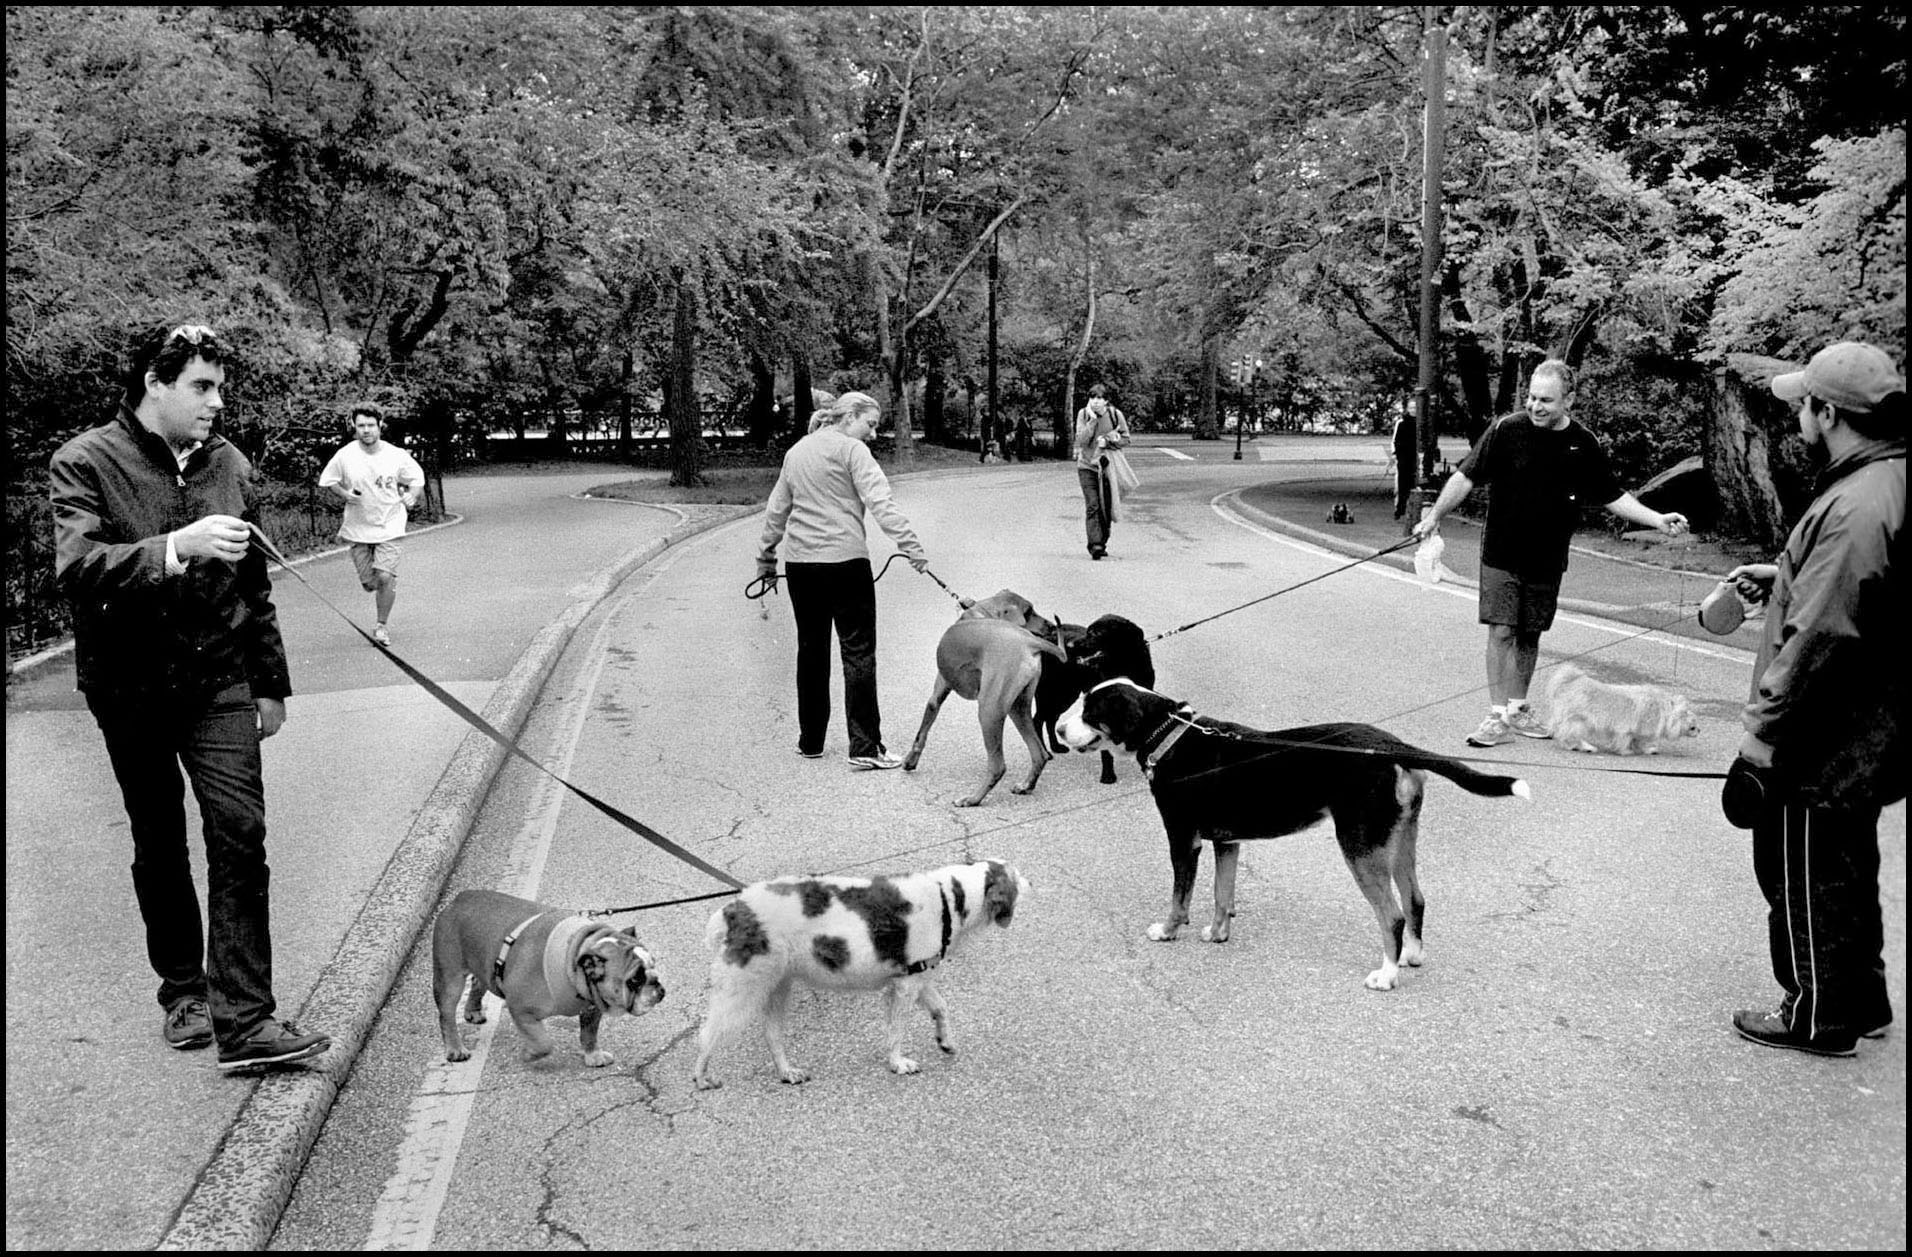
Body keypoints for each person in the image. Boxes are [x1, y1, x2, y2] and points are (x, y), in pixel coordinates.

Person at [48, 323, 332, 1072]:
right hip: (130, 688)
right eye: (201, 388)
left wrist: (269, 683)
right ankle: (183, 989)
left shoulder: (231, 465)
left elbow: (255, 586)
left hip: (218, 682)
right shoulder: (85, 460)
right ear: (155, 382)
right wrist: (178, 548)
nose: (215, 403)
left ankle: (247, 1020)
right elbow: (77, 566)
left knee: (240, 829)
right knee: (159, 840)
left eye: (219, 388)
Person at [1718, 342, 1904, 1057]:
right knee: (1848, 857)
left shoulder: (1857, 502)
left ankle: (1817, 1014)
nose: (1797, 411)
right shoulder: (1887, 477)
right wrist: (1786, 573)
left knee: (1798, 861)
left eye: (1804, 403)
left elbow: (1825, 630)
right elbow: (1853, 589)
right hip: (1872, 721)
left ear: (1830, 413)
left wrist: (1762, 736)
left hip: (1826, 725)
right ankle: (1864, 998)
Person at [1412, 359, 1688, 746]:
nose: (1535, 406)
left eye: (1546, 400)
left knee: (1529, 634)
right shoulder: (1506, 430)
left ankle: (1518, 707)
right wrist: (1434, 516)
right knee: (1502, 630)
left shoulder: (1583, 443)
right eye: (1531, 397)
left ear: (1568, 400)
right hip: (1501, 552)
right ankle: (1496, 717)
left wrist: (1657, 519)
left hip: (1547, 557)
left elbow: (1612, 494)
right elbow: (1465, 476)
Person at [757, 391, 928, 769]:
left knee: (811, 652)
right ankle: (865, 748)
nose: (872, 433)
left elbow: (776, 510)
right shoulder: (853, 451)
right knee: (858, 653)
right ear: (849, 416)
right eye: (870, 424)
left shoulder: (797, 451)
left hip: (802, 567)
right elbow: (881, 502)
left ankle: (811, 741)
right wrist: (912, 547)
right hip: (845, 563)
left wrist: (766, 559)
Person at [317, 404, 424, 648]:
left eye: (370, 425)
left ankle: (381, 625)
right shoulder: (345, 455)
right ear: (354, 427)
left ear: (380, 426)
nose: (366, 430)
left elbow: (416, 479)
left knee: (384, 576)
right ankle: (383, 585)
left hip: (390, 524)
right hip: (359, 527)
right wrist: (345, 494)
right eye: (361, 426)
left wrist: (412, 496)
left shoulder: (395, 455)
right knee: (370, 583)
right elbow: (328, 480)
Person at [1074, 385, 1133, 560]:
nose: (1095, 402)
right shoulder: (1083, 414)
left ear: (1106, 401)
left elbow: (1126, 439)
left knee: (1105, 505)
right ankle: (1095, 545)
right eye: (1092, 398)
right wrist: (1092, 421)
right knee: (1092, 505)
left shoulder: (1115, 415)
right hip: (1087, 466)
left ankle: (1103, 540)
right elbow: (1082, 441)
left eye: (1099, 398)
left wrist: (1108, 441)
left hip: (1107, 467)